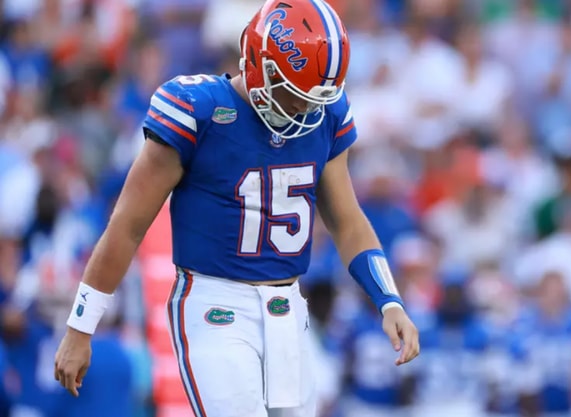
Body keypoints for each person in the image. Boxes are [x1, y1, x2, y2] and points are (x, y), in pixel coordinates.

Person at [52, 1, 421, 416]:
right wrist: (80, 326)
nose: (304, 109)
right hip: (215, 305)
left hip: (289, 310)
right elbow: (127, 226)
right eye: (294, 93)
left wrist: (389, 300)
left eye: (313, 98)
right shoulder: (198, 110)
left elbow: (348, 221)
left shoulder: (325, 114)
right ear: (259, 63)